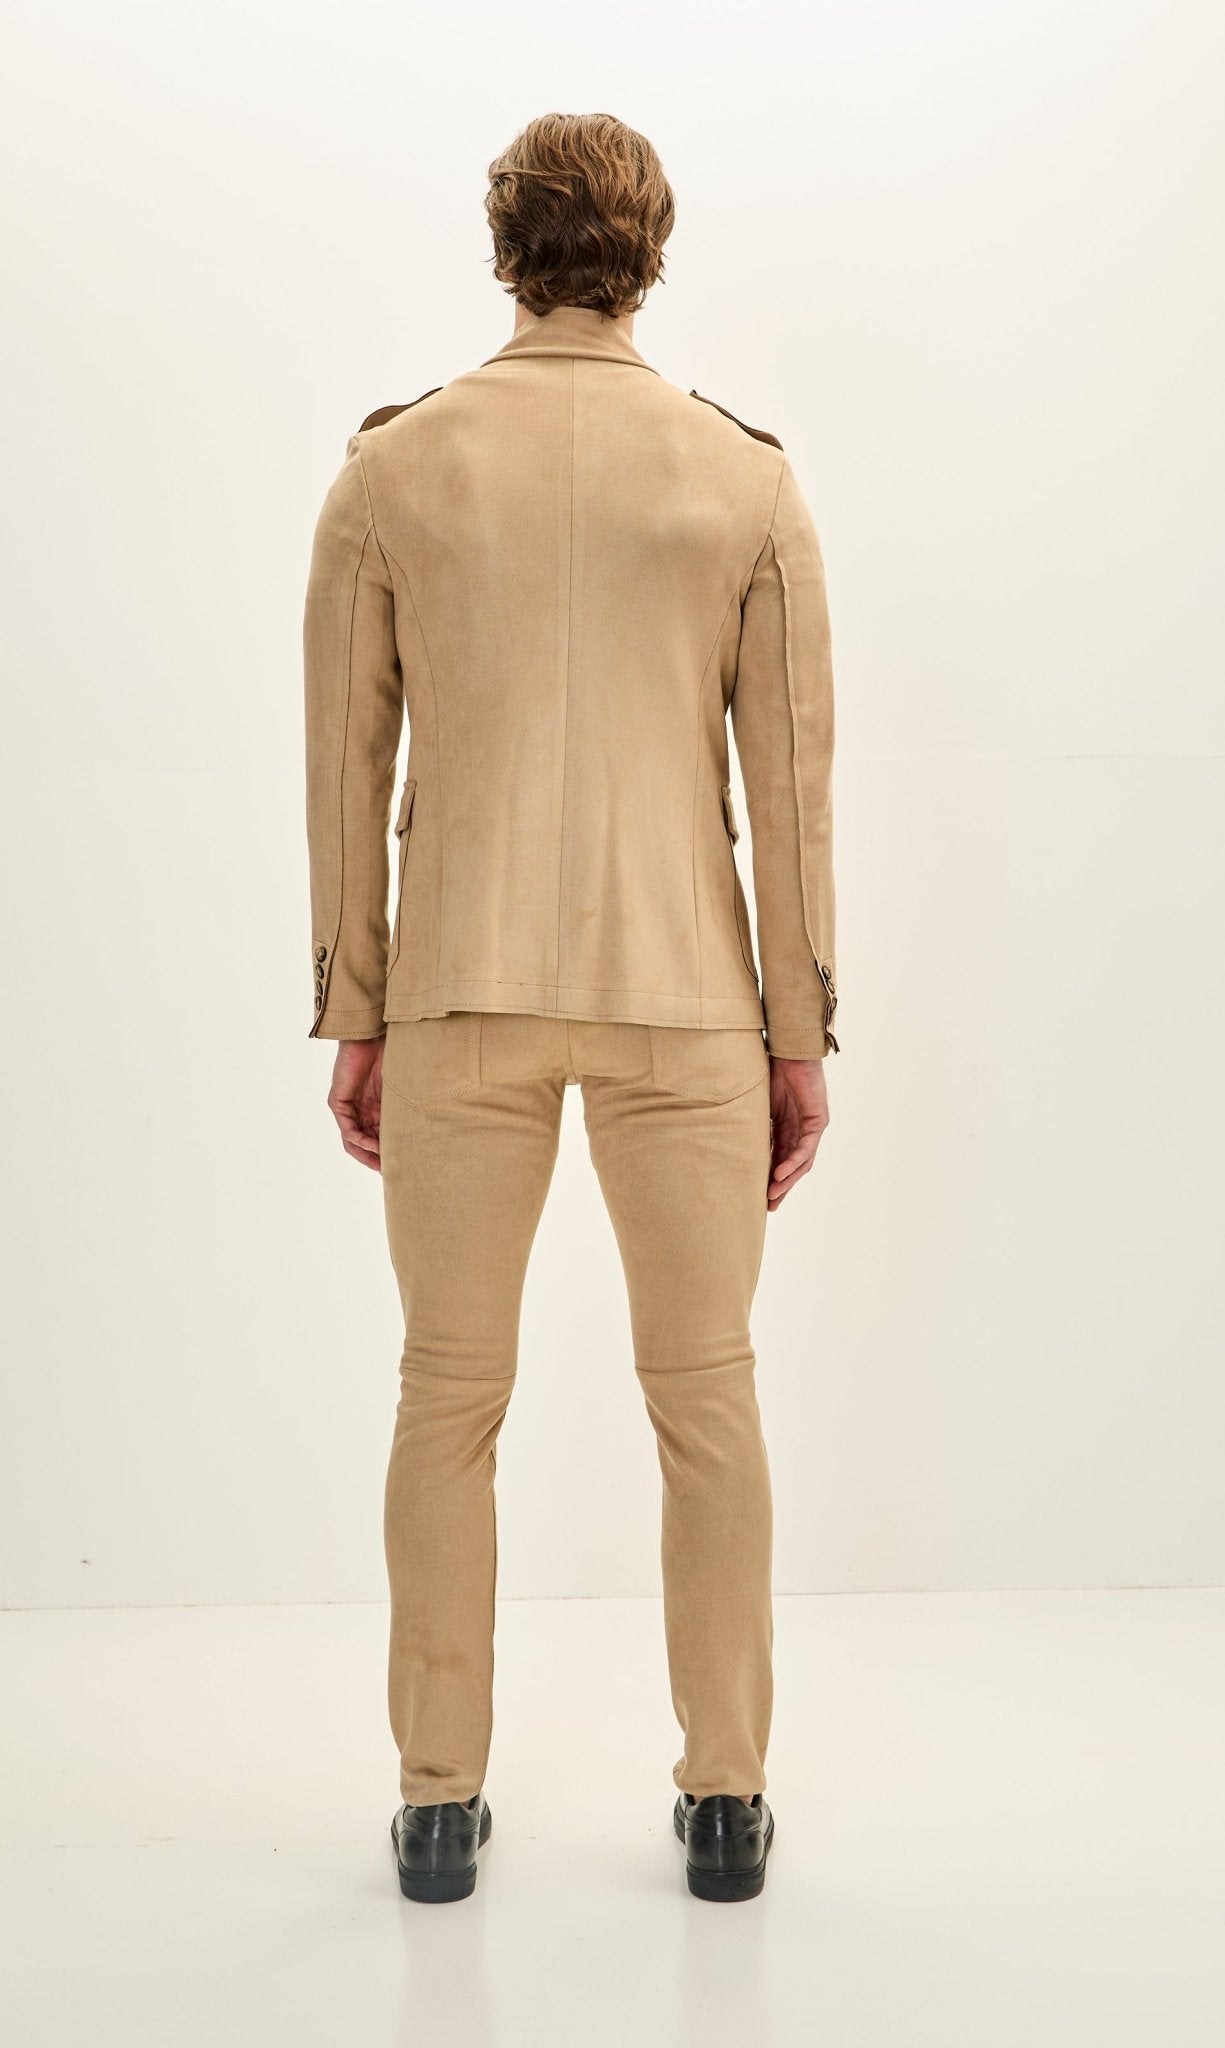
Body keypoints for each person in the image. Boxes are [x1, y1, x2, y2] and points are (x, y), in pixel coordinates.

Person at [302, 111, 839, 1905]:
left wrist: (358, 1005)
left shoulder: (396, 469)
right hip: (686, 998)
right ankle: (727, 1801)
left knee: (447, 1396)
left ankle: (437, 1804)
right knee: (709, 1398)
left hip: (458, 995)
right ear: (649, 253)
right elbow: (792, 790)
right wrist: (794, 1037)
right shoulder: (741, 480)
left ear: (506, 247)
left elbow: (343, 764)